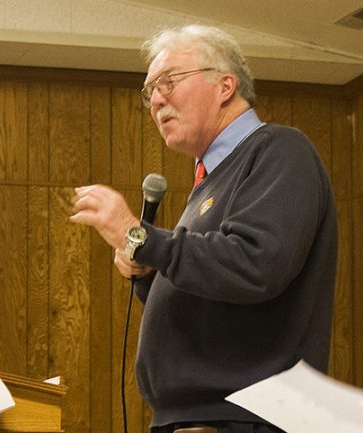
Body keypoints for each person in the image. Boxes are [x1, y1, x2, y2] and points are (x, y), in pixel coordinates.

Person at [70, 24, 338, 433]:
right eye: (149, 91)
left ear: (225, 85)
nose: (156, 99)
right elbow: (209, 298)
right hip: (200, 417)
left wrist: (137, 236)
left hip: (242, 415)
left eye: (169, 81)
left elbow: (255, 265)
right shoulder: (209, 181)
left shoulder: (279, 150)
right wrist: (148, 273)